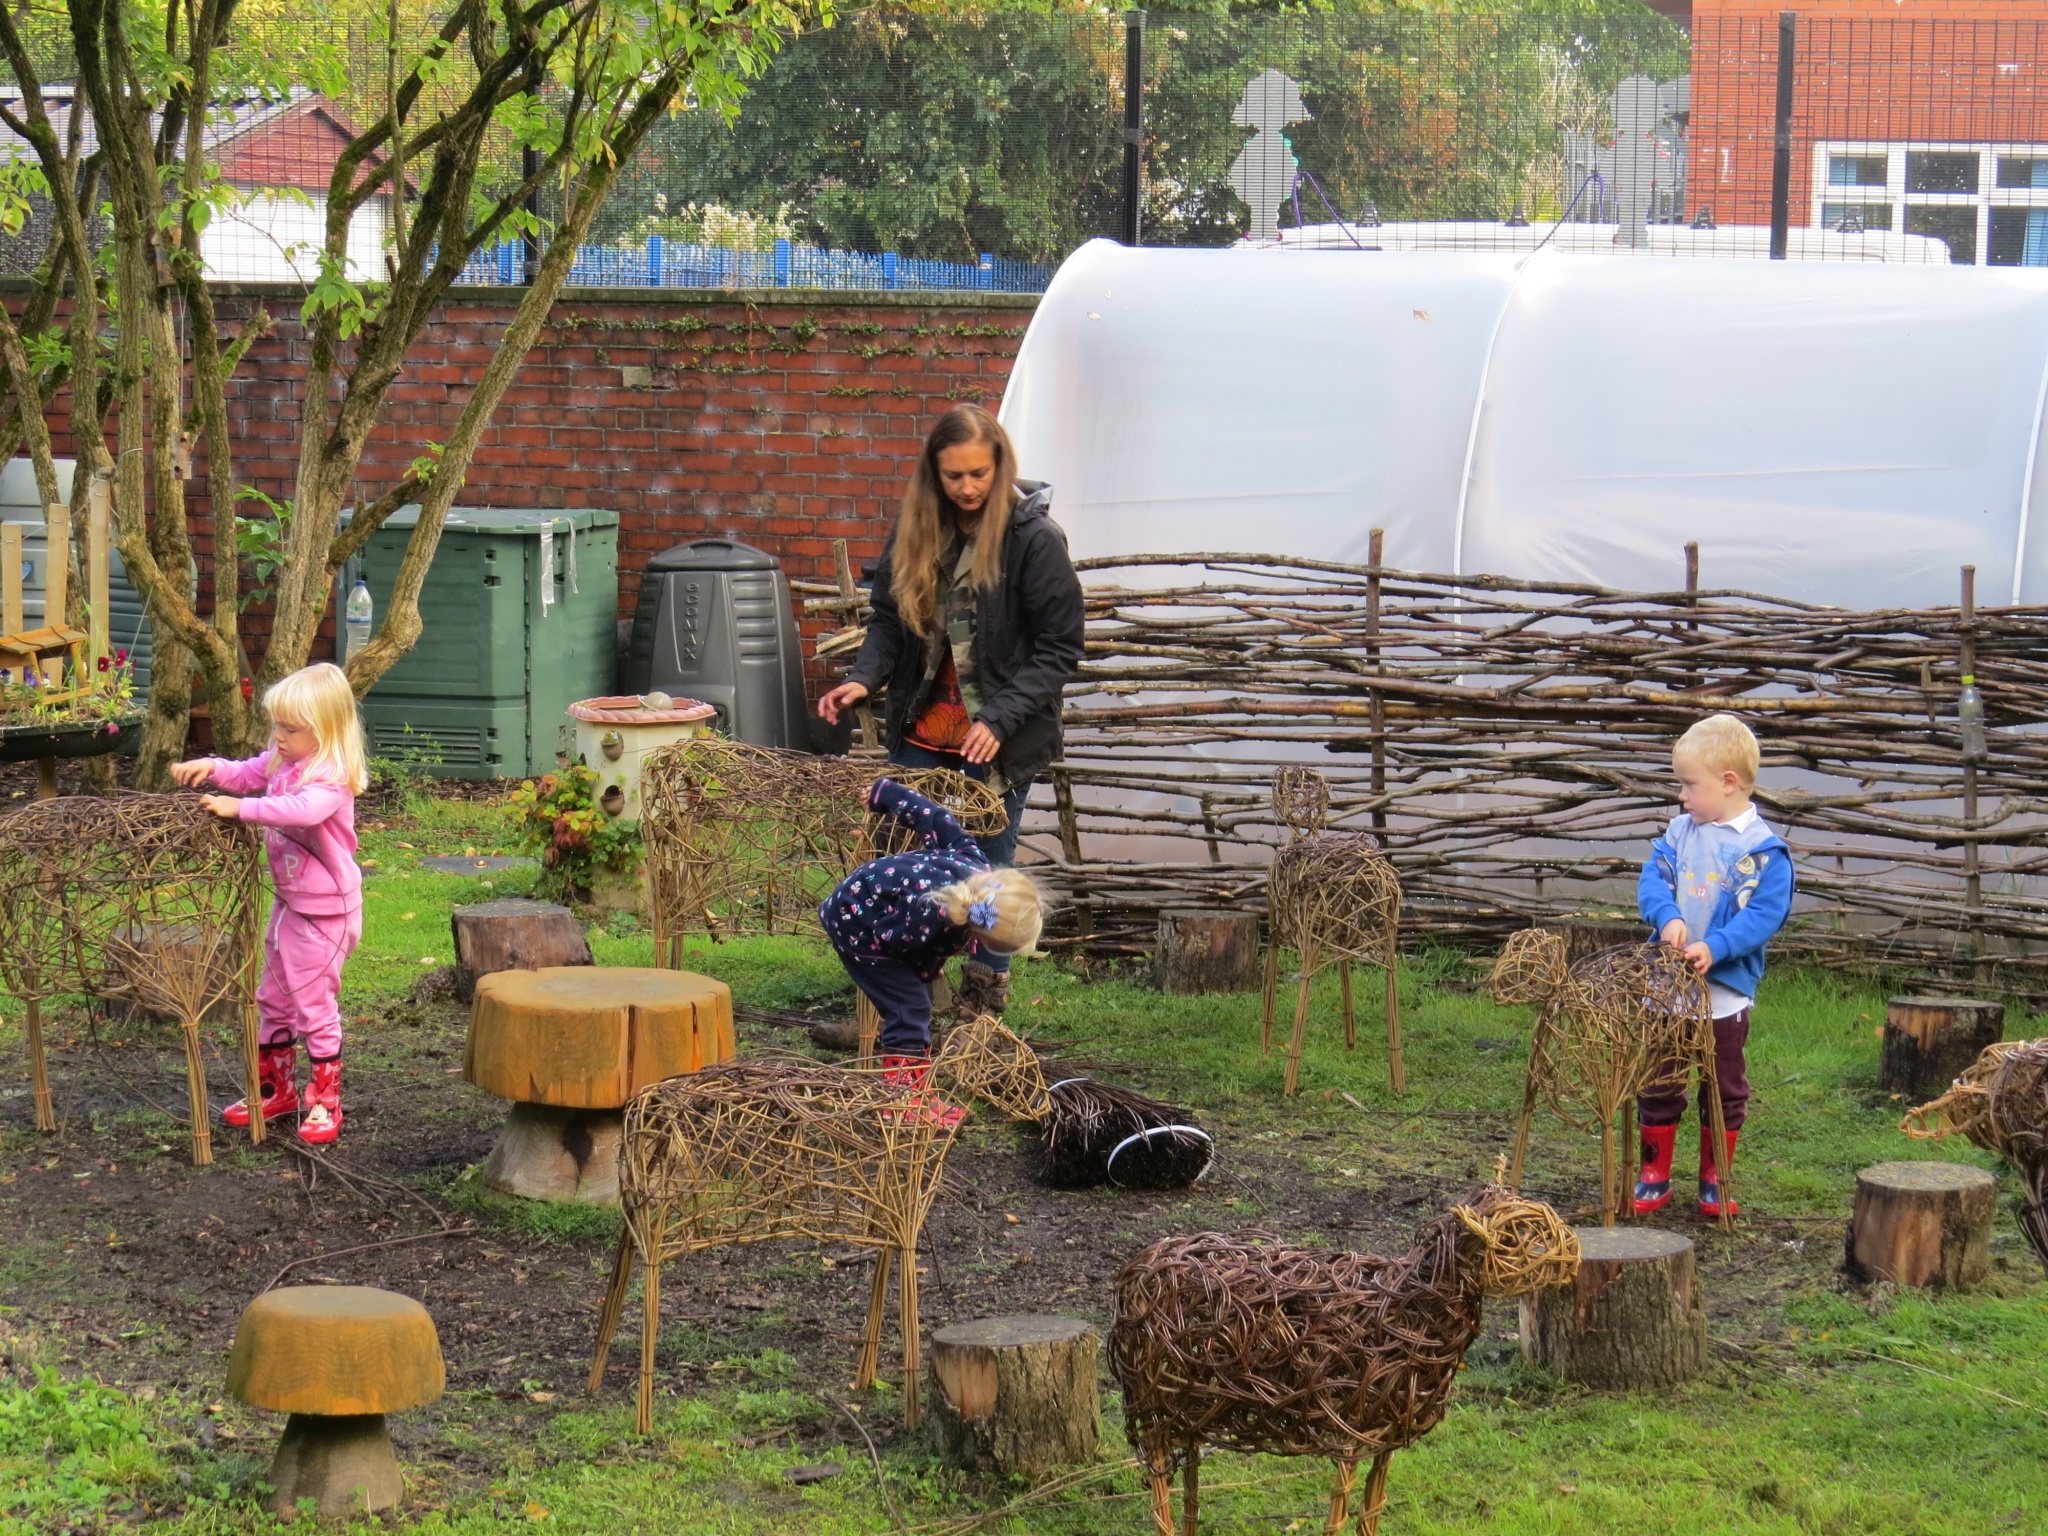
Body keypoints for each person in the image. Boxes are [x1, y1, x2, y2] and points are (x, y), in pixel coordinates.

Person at [817, 405, 1084, 1020]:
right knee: (902, 859)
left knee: (988, 869)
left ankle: (981, 1011)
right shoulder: (917, 530)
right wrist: (863, 680)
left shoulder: (1034, 541)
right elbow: (888, 620)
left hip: (998, 739)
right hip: (924, 729)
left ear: (1000, 466)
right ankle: (905, 992)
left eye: (979, 474)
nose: (967, 488)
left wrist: (999, 719)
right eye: (954, 476)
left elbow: (1059, 648)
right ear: (933, 475)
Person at [173, 662, 367, 1147]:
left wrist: (241, 809)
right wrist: (213, 769)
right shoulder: (284, 762)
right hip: (288, 904)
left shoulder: (332, 777)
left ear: (325, 731)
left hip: (326, 914)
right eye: (276, 725)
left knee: (313, 1006)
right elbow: (247, 773)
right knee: (273, 998)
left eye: (290, 728)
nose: (278, 736)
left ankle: (326, 1098)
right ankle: (273, 1090)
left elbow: (298, 810)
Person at [1633, 713, 1795, 1218]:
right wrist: (1668, 917)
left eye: (1689, 785)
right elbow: (1653, 881)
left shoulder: (1763, 851)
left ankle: (1714, 1179)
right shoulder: (1680, 833)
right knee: (1660, 1078)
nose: (1682, 797)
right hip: (1669, 989)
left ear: (1728, 784)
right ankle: (1653, 1174)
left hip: (1723, 994)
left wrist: (1717, 946)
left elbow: (1765, 916)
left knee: (1723, 1086)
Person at [821, 778, 1045, 1126]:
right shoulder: (933, 914)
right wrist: (922, 967)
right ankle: (902, 1104)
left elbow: (937, 818)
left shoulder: (975, 866)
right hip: (857, 922)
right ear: (985, 938)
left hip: (872, 902)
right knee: (910, 1008)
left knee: (916, 999)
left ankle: (916, 1093)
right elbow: (892, 937)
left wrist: (887, 794)